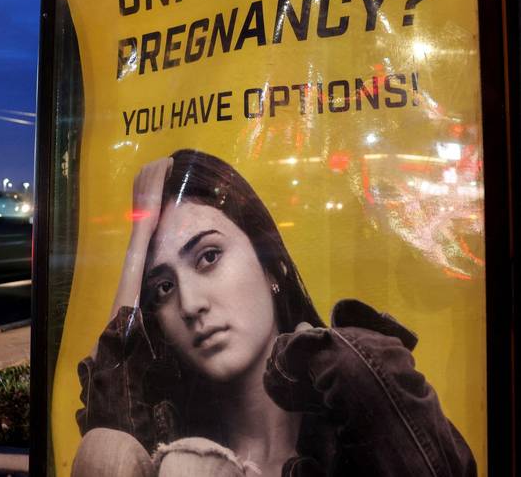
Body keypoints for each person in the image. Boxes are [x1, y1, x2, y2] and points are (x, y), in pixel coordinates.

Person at [73, 149, 476, 476]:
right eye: (163, 287)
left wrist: (315, 358)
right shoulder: (169, 446)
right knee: (107, 452)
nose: (191, 304)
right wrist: (137, 239)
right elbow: (109, 417)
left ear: (273, 267)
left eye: (208, 257)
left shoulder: (354, 420)